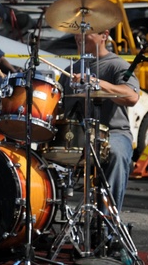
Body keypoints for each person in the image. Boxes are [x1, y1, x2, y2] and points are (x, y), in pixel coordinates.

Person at [60, 29, 140, 213]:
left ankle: (108, 225)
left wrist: (96, 82)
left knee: (116, 153)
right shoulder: (69, 72)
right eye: (77, 32)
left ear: (104, 35)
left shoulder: (117, 65)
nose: (79, 37)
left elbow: (131, 96)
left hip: (113, 132)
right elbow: (58, 108)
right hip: (78, 135)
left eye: (85, 32)